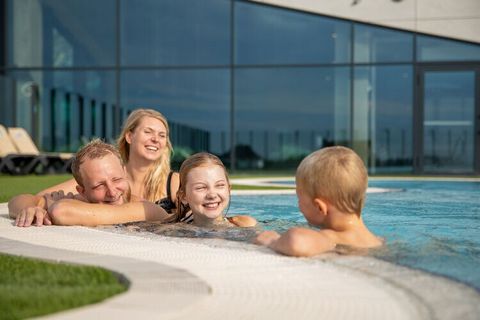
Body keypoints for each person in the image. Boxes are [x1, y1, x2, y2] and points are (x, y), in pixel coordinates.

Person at [37, 108, 179, 212]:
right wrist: (36, 210)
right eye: (148, 132)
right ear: (129, 136)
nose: (155, 139)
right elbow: (34, 199)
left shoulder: (173, 182)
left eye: (162, 135)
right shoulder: (97, 176)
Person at [254, 146, 383, 257]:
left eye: (299, 198)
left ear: (320, 207)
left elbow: (296, 241)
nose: (298, 204)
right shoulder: (377, 240)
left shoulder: (331, 238)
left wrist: (272, 241)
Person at [9, 139, 170, 227]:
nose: (112, 192)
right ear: (82, 190)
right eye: (99, 185)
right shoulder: (78, 200)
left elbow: (60, 211)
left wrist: (54, 205)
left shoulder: (145, 209)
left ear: (124, 172)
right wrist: (31, 210)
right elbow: (17, 201)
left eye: (117, 179)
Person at [173, 152, 257, 228]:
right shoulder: (174, 231)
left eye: (219, 185)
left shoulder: (245, 224)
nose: (212, 195)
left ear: (228, 189)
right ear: (183, 196)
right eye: (201, 187)